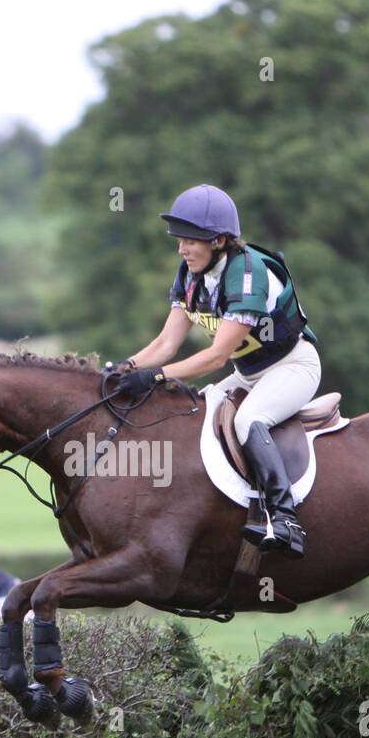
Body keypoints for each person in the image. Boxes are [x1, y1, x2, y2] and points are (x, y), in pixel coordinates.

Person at [115, 184, 320, 558]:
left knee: (248, 421)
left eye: (190, 241)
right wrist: (123, 368)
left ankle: (284, 518)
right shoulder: (190, 274)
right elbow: (165, 345)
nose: (181, 249)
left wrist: (157, 377)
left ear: (220, 240)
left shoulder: (248, 277)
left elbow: (214, 358)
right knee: (199, 411)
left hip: (292, 367)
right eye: (179, 240)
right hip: (249, 373)